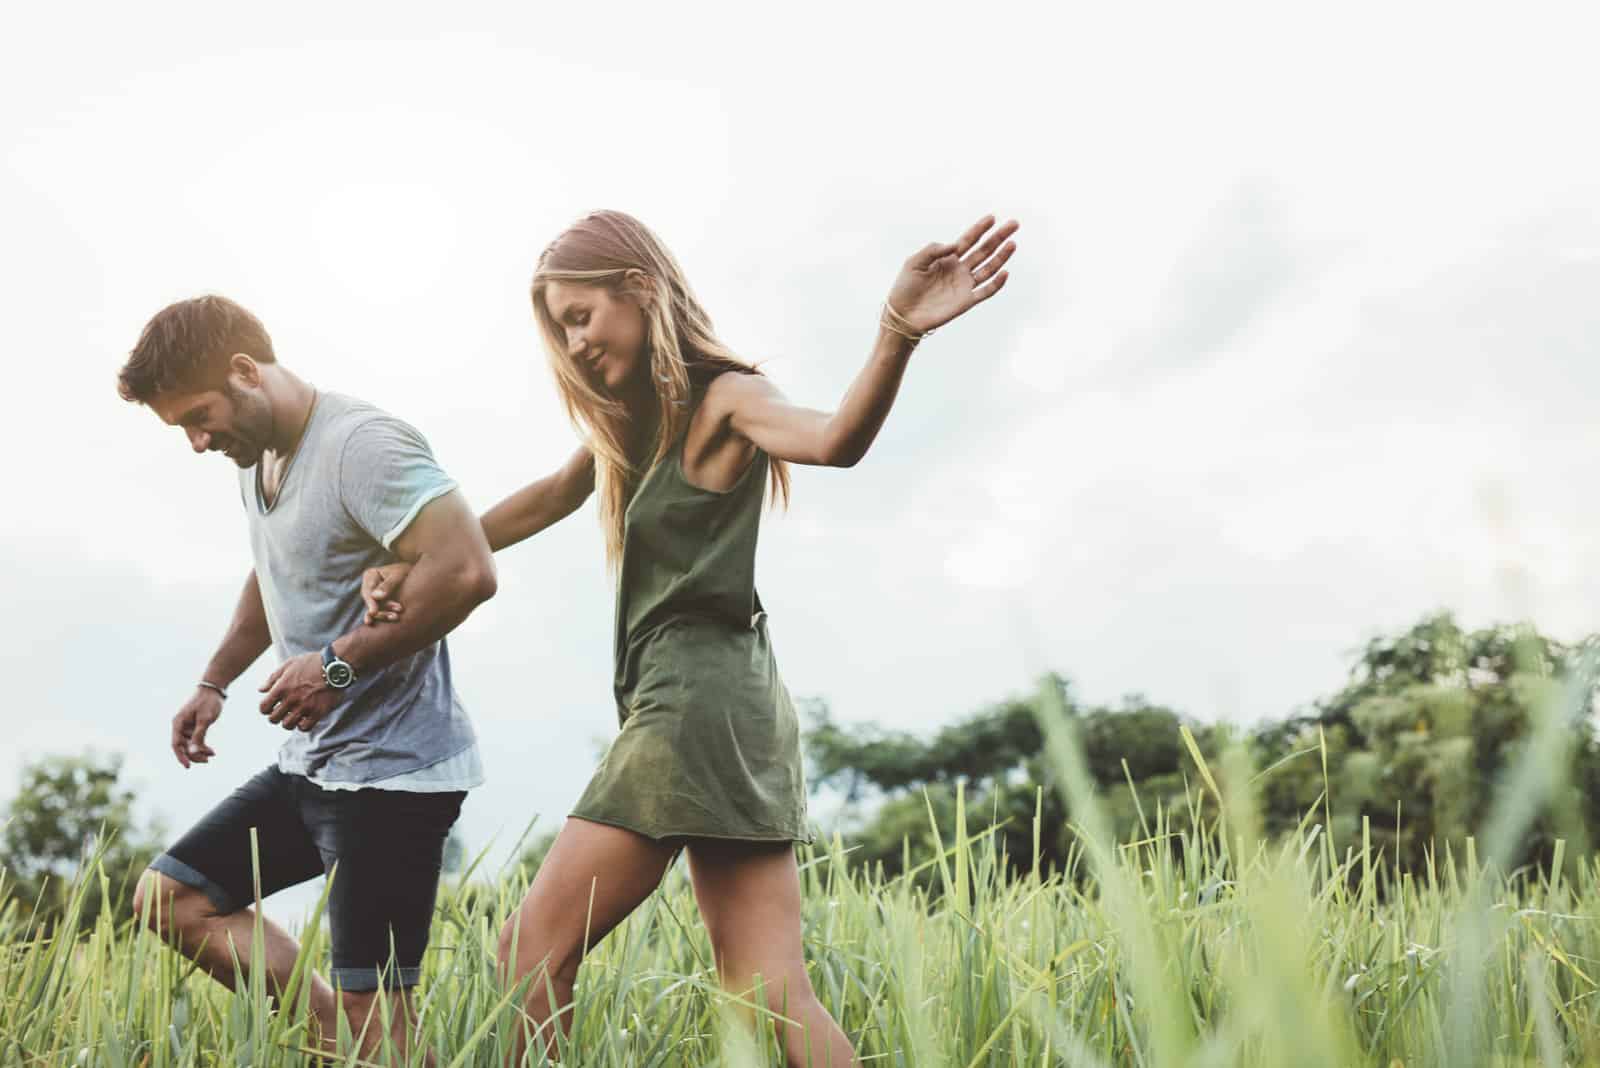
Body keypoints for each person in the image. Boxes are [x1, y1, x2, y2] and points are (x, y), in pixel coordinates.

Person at [362, 210, 1018, 1065]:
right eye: (562, 333)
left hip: (692, 706)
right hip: (737, 708)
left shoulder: (725, 399)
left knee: (530, 954)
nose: (575, 345)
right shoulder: (634, 425)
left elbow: (833, 440)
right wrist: (418, 557)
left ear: (638, 288)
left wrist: (896, 333)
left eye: (580, 318)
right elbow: (543, 500)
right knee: (769, 989)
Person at [118, 294, 498, 1063]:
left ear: (246, 371)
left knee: (376, 1008)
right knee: (172, 898)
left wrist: (336, 665)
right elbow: (273, 573)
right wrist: (214, 681)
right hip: (313, 766)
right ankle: (354, 1046)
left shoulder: (363, 445)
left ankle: (369, 1043)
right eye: (182, 429)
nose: (196, 441)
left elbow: (466, 569)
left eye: (198, 416)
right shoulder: (255, 456)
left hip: (395, 776)